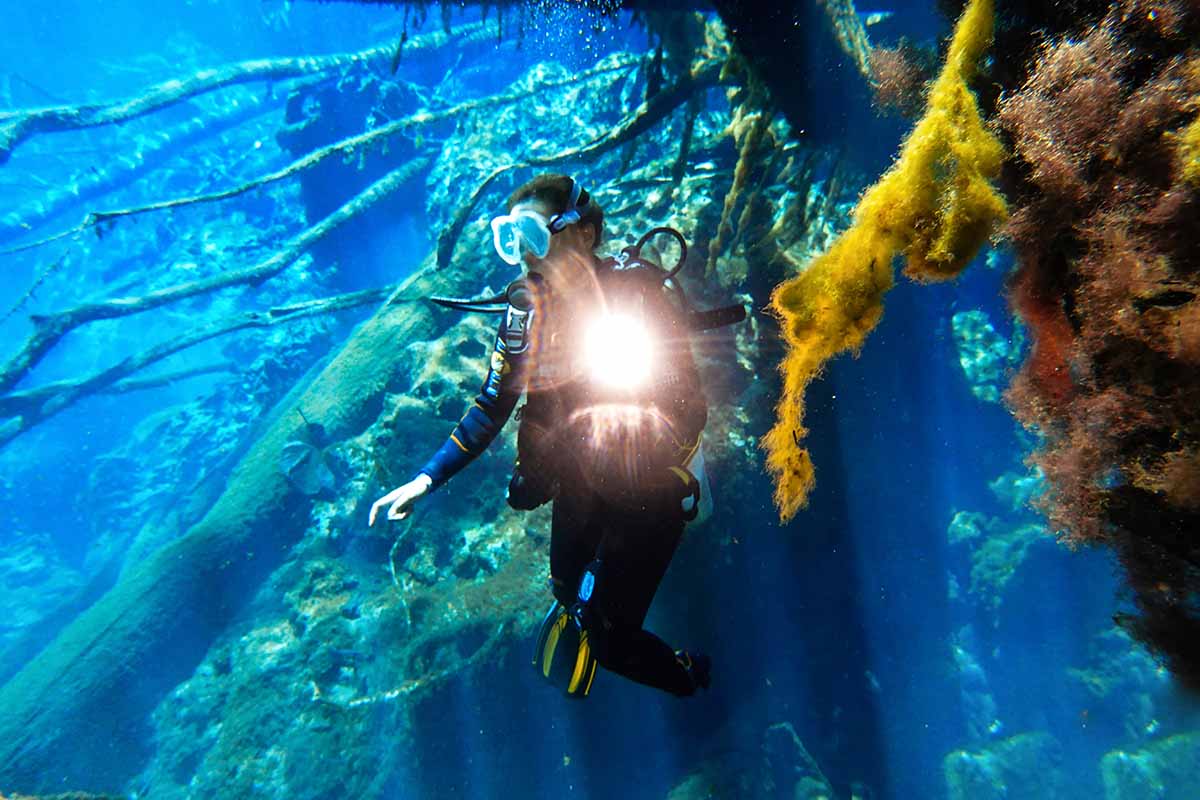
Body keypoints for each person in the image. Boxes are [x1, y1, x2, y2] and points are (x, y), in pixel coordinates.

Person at [369, 173, 712, 698]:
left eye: (532, 236)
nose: (524, 255)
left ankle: (689, 675)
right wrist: (424, 480)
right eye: (511, 240)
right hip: (579, 477)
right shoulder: (523, 317)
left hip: (650, 485)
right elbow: (491, 404)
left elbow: (692, 408)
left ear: (585, 233)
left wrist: (660, 461)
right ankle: (592, 598)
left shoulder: (639, 297)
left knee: (612, 643)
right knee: (566, 594)